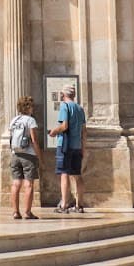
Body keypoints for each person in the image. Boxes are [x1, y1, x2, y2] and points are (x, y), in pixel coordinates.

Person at [50, 84, 87, 213]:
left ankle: (64, 204)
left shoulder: (64, 106)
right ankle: (79, 204)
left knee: (64, 174)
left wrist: (54, 131)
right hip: (77, 145)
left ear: (63, 94)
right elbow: (84, 131)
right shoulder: (80, 108)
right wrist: (83, 147)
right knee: (77, 175)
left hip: (65, 145)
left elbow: (64, 126)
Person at [6, 95, 41, 220]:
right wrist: (39, 155)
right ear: (28, 107)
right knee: (29, 184)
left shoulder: (14, 120)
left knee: (15, 184)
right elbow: (34, 139)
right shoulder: (30, 120)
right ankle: (27, 212)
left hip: (15, 154)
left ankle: (15, 212)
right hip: (28, 155)